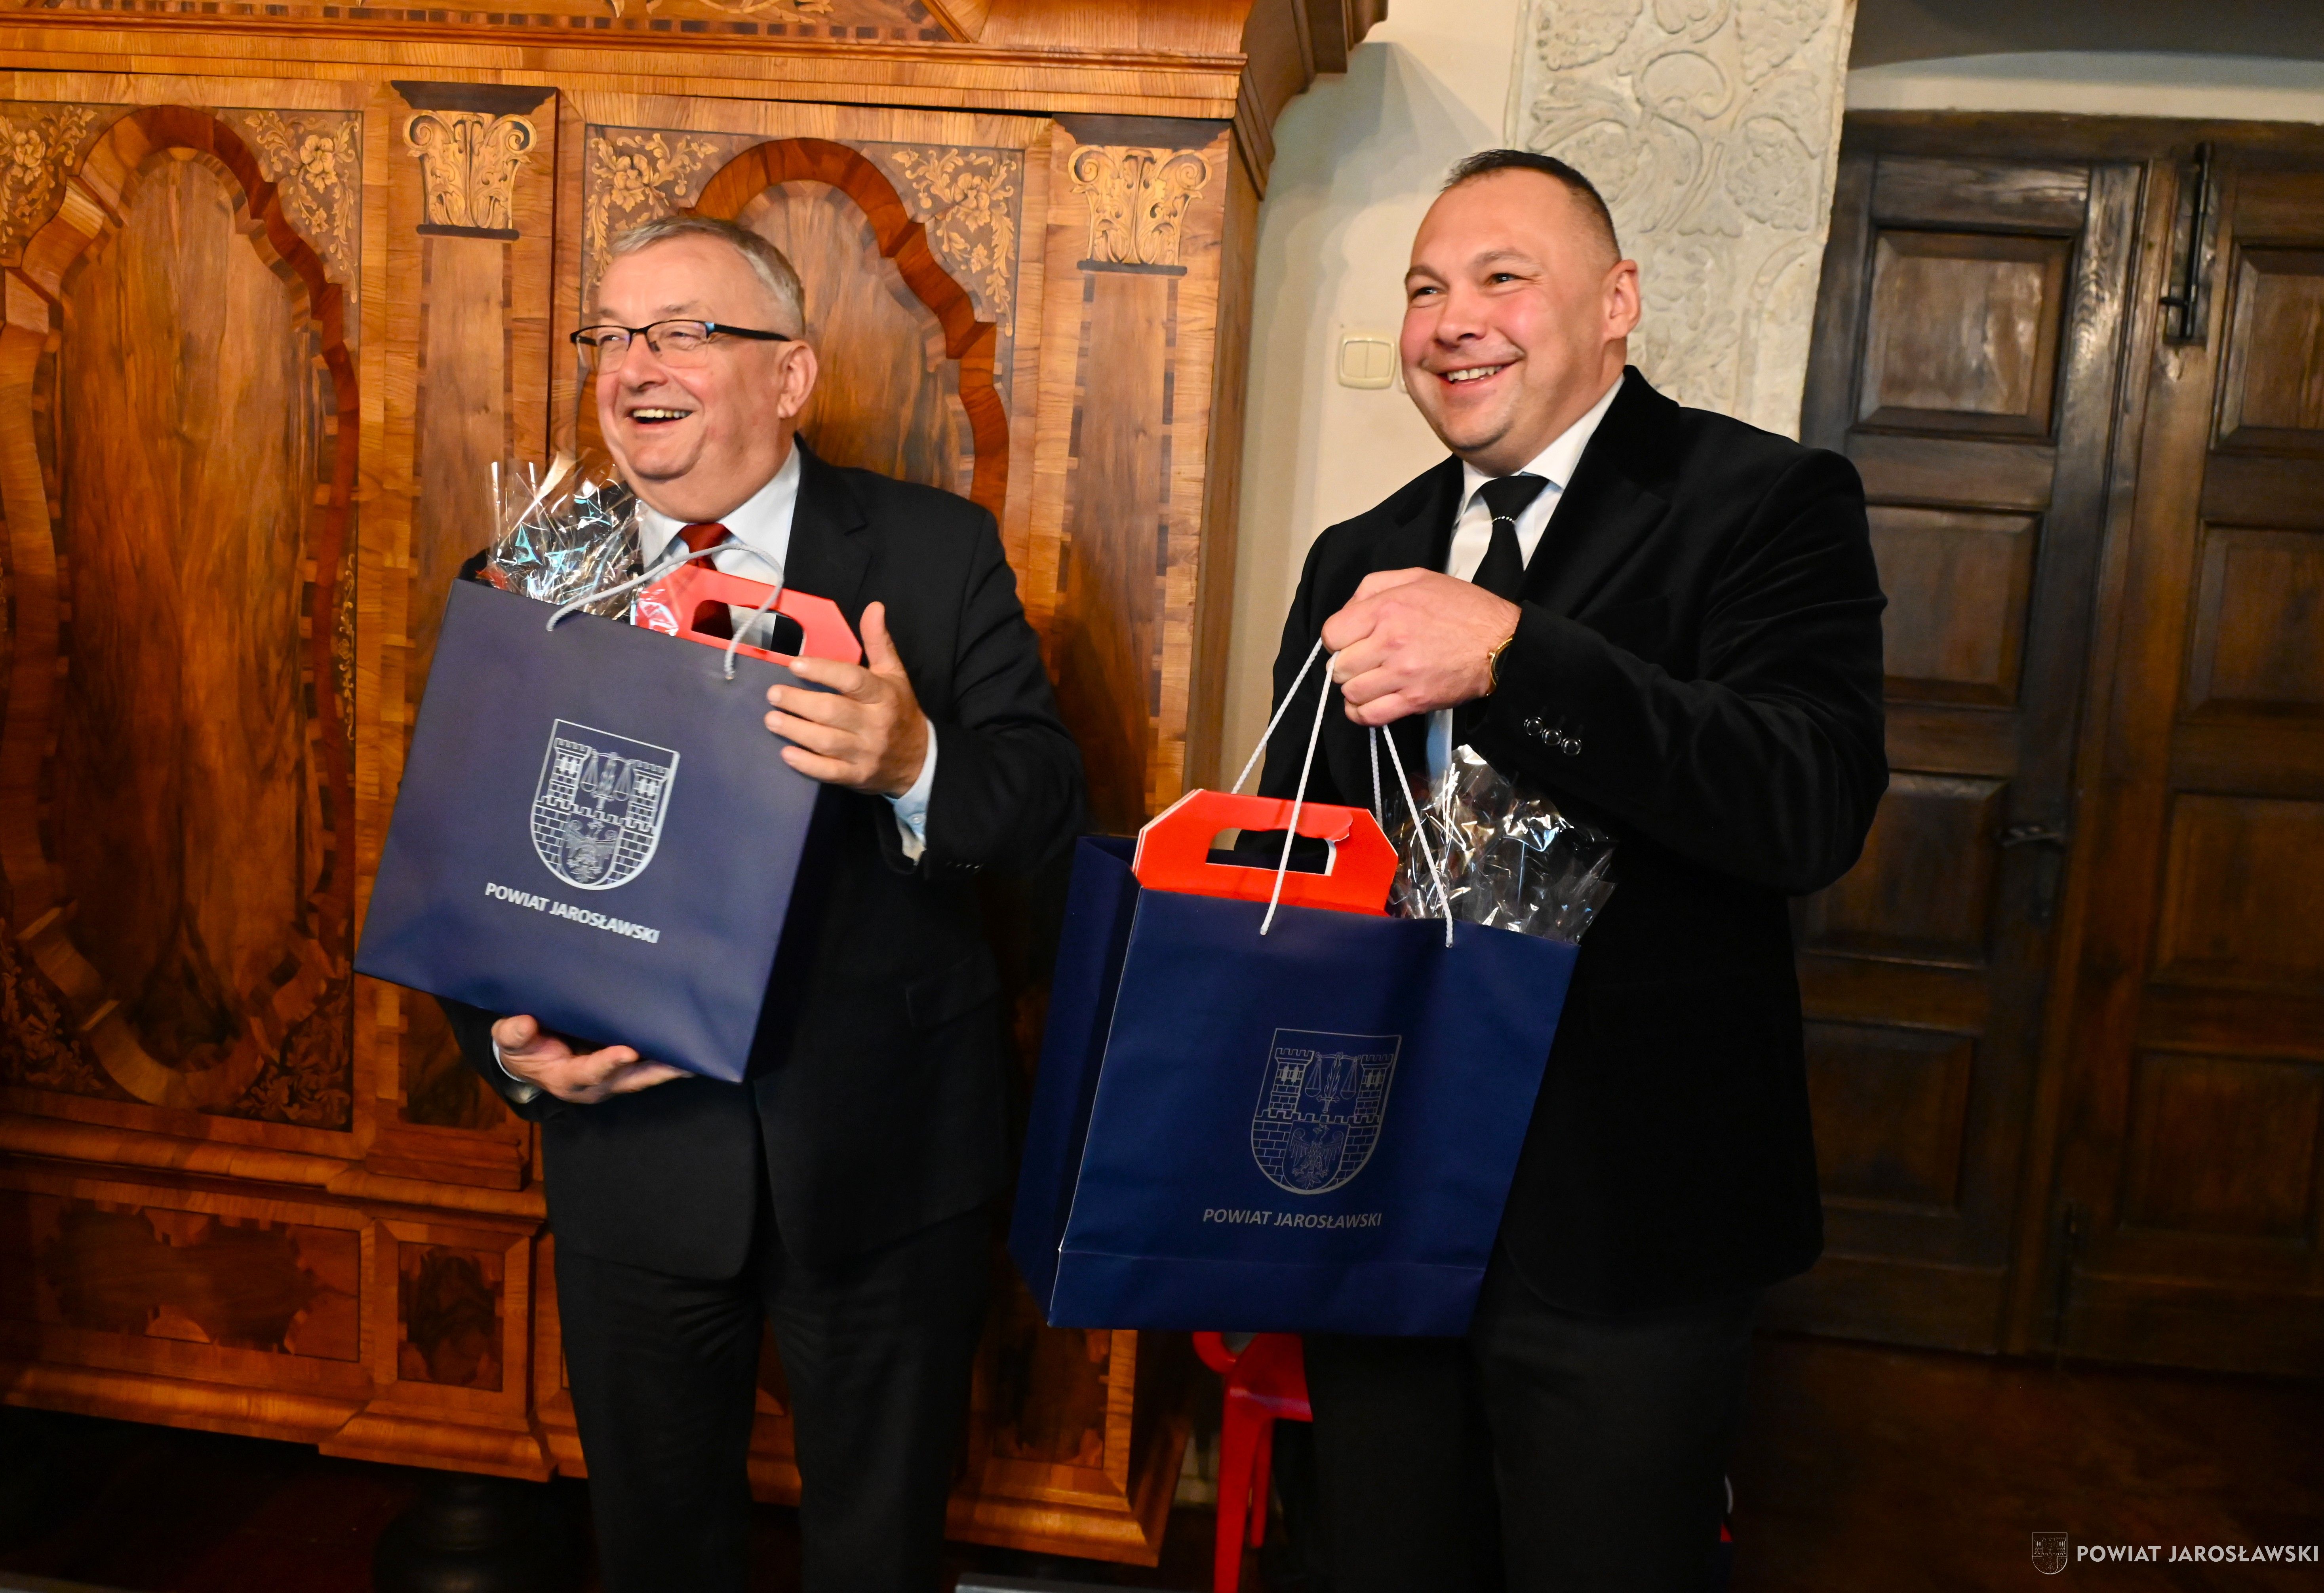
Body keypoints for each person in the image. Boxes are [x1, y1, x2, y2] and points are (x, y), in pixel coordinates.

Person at [1252, 151, 1887, 1591]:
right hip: (1373, 1202)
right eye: (1425, 289)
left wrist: (1514, 656)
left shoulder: (1767, 500)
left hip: (1629, 1228)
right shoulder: (1359, 554)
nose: (1452, 320)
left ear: (1617, 303)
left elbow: (1806, 805)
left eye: (1502, 278)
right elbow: (1307, 846)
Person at [439, 214, 1083, 1593]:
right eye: (612, 336)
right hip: (634, 1153)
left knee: (877, 1556)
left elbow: (1044, 810)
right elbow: (462, 854)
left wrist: (914, 763)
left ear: (790, 375)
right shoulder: (525, 572)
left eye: (681, 332)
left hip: (888, 1157)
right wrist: (507, 1050)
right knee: (657, 1554)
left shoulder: (935, 551)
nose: (634, 366)